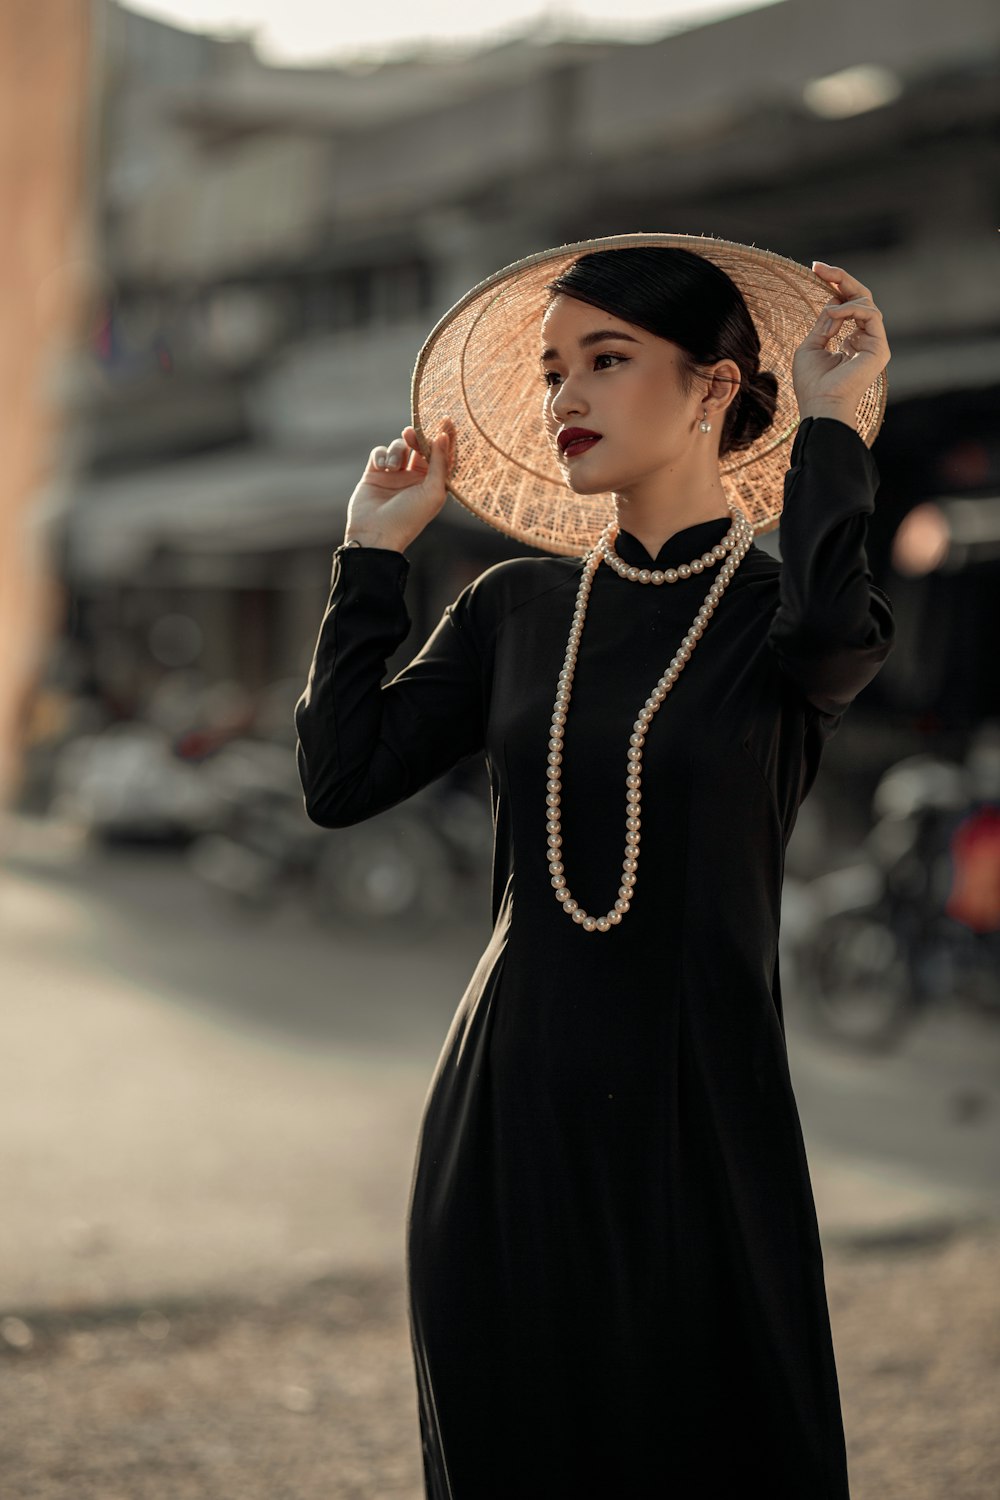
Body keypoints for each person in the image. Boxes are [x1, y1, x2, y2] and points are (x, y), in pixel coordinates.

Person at [293, 236, 895, 1499]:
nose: (565, 397)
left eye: (605, 360)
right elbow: (341, 781)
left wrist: (834, 423)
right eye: (554, 367)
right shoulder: (514, 609)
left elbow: (837, 619)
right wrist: (372, 556)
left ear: (714, 386)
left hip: (698, 1121)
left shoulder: (781, 625)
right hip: (507, 1110)